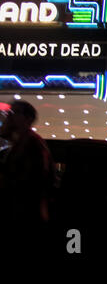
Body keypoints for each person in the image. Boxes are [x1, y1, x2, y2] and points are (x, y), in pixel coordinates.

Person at [0, 100, 55, 263]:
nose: (9, 117)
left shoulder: (31, 144)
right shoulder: (21, 143)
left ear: (27, 119)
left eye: (14, 113)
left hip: (25, 221)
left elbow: (31, 182)